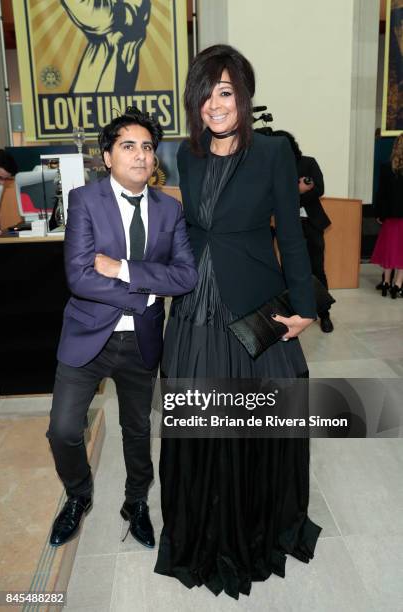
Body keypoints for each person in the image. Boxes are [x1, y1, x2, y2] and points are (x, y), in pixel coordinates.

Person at [154, 45, 321, 599]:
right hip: (196, 310)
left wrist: (304, 309)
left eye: (224, 91)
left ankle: (258, 525)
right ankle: (204, 530)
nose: (214, 104)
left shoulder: (274, 153)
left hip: (253, 300)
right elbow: (189, 230)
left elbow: (291, 239)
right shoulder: (186, 155)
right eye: (205, 94)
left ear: (243, 97)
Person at [46, 108, 197, 548]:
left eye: (147, 147)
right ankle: (78, 495)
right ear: (107, 157)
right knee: (63, 429)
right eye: (127, 146)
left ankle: (136, 502)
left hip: (142, 341)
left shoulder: (170, 208)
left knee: (138, 430)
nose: (140, 155)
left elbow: (186, 275)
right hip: (87, 336)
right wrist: (145, 290)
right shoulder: (84, 201)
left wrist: (124, 269)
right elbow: (79, 276)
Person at [271, 131, 333, 332]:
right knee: (289, 270)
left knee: (317, 268)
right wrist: (300, 189)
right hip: (287, 225)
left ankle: (324, 313)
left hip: (311, 223)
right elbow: (272, 197)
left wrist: (292, 195)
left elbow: (319, 189)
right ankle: (293, 312)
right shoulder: (273, 167)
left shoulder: (308, 162)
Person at [371, 133, 403, 298]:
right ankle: (397, 285)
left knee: (390, 251)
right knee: (401, 252)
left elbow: (381, 194)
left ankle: (385, 282)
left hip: (390, 217)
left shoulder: (386, 167)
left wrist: (379, 214)